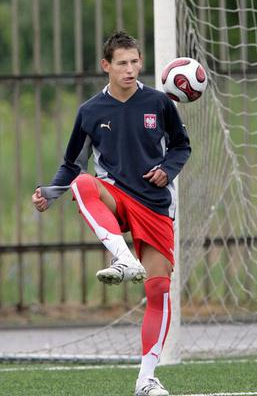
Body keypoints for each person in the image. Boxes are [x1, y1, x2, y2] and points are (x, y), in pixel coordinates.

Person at [32, 31, 191, 396]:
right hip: (115, 197)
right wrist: (50, 193)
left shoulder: (159, 103)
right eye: (122, 63)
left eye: (135, 62)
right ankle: (123, 258)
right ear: (106, 66)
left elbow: (182, 146)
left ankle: (146, 379)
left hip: (154, 204)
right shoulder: (90, 111)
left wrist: (168, 168)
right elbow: (72, 163)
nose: (131, 69)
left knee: (159, 289)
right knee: (85, 183)